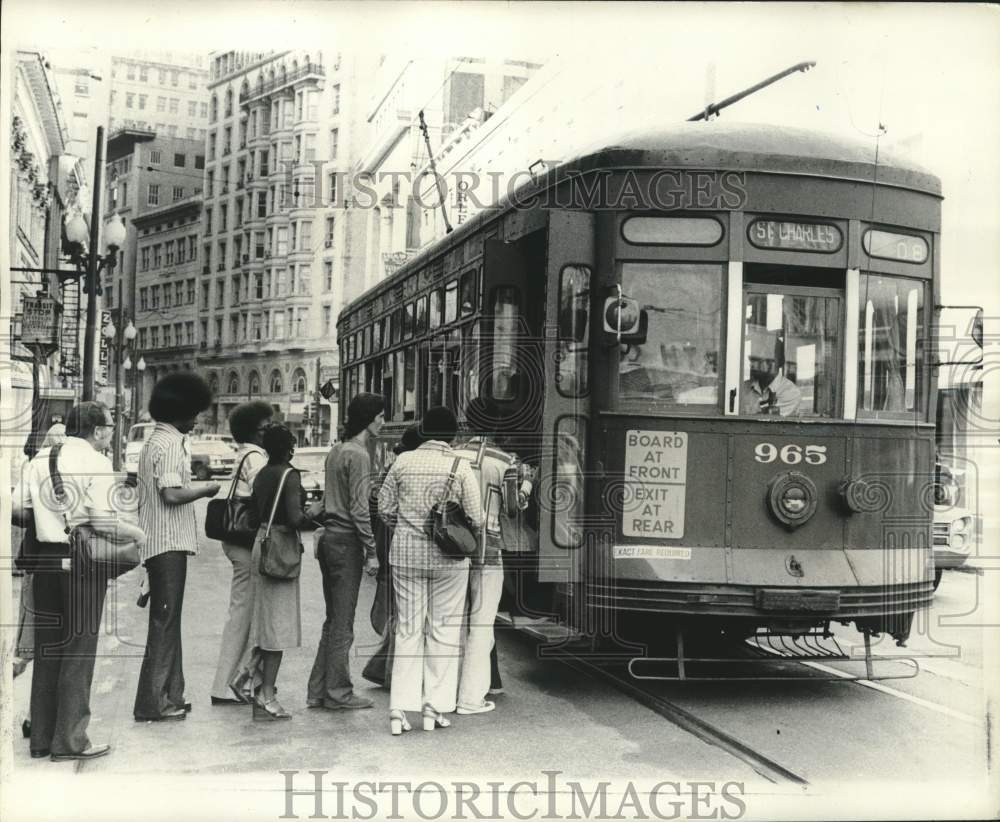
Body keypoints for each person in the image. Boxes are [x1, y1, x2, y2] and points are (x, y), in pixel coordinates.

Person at [12, 402, 146, 760]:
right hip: (82, 561)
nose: (112, 432)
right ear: (97, 430)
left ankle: (41, 739)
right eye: (110, 426)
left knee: (48, 648)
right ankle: (71, 741)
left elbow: (15, 510)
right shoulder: (98, 463)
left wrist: (48, 516)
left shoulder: (40, 459)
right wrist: (136, 533)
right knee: (79, 648)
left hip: (44, 559)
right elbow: (102, 522)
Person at [378, 406, 483, 735]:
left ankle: (398, 711)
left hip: (406, 558)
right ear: (452, 434)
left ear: (423, 431)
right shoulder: (460, 465)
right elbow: (476, 517)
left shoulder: (403, 461)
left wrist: (407, 529)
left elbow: (383, 507)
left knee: (408, 630)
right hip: (449, 561)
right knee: (443, 631)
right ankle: (433, 709)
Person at [133, 373, 220, 722]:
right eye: (194, 413)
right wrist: (204, 490)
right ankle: (154, 702)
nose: (196, 419)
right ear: (179, 410)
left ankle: (171, 693)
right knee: (166, 621)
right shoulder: (170, 445)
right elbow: (171, 494)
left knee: (168, 620)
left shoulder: (154, 441)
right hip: (167, 542)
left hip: (159, 541)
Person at [453, 398, 534, 714]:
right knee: (481, 625)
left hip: (453, 550)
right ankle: (472, 696)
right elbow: (514, 509)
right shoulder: (506, 461)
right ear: (498, 425)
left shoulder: (453, 455)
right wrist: (527, 485)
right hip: (488, 551)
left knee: (449, 621)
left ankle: (443, 691)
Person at [306, 392, 384, 711]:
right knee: (343, 622)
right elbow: (360, 508)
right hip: (346, 541)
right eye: (379, 416)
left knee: (332, 619)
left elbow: (329, 500)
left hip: (328, 538)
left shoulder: (336, 450)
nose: (383, 421)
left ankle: (318, 690)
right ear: (368, 419)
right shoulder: (360, 455)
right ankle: (339, 692)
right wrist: (372, 551)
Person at [240, 424, 308, 720]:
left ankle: (251, 678)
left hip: (260, 545)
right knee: (277, 630)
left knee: (266, 623)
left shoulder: (263, 475)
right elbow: (295, 517)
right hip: (280, 550)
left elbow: (254, 515)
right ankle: (266, 694)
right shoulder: (289, 475)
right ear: (289, 447)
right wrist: (317, 513)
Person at [209, 401, 273, 705]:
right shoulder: (256, 457)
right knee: (244, 613)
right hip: (246, 543)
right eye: (265, 427)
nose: (269, 431)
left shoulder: (245, 453)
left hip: (235, 540)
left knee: (243, 611)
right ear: (253, 431)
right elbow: (265, 497)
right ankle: (228, 685)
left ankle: (236, 682)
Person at [362, 424, 425, 688]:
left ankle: (384, 669)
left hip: (390, 550)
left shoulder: (393, 470)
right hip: (399, 551)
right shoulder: (406, 472)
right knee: (404, 619)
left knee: (400, 617)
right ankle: (389, 673)